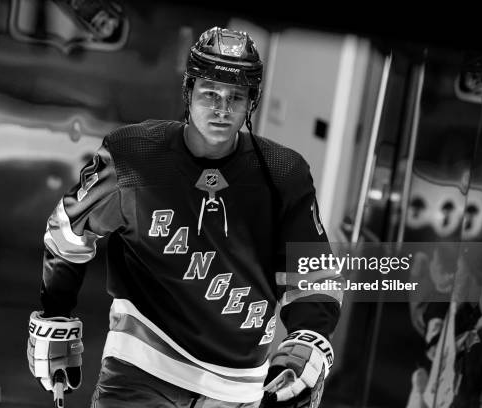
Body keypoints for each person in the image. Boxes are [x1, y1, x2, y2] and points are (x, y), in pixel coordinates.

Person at [27, 26, 342, 408]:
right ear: (189, 92)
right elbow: (68, 231)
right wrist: (56, 312)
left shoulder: (284, 173)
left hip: (239, 389)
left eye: (235, 97)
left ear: (251, 103)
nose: (222, 109)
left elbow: (313, 271)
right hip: (139, 371)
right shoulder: (134, 158)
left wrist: (310, 335)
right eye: (210, 93)